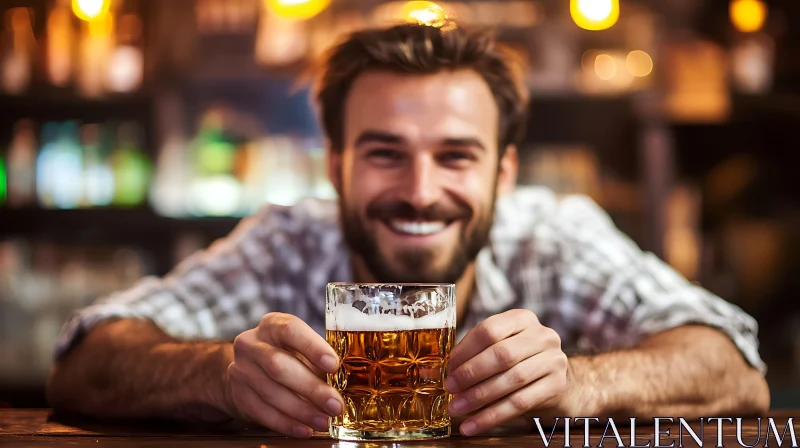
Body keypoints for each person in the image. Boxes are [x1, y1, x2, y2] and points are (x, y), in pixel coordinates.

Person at [46, 22, 770, 438]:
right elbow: (85, 358)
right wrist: (217, 375)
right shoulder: (290, 240)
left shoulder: (551, 235)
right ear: (335, 164)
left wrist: (580, 382)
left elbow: (733, 365)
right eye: (385, 153)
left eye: (456, 156)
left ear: (505, 172)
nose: (421, 193)